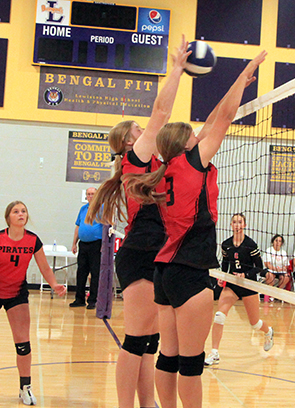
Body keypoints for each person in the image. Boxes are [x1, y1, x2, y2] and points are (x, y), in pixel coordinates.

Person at [124, 51, 267, 408]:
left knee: (168, 358)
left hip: (165, 271)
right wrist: (245, 71)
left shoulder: (168, 169)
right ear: (187, 144)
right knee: (190, 365)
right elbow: (225, 118)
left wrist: (238, 85)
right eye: (193, 135)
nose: (198, 136)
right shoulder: (193, 164)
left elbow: (218, 117)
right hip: (190, 273)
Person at [86, 36, 190, 408]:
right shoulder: (138, 158)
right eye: (138, 130)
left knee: (150, 342)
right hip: (142, 252)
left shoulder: (149, 163)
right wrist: (176, 69)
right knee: (136, 340)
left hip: (155, 251)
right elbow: (161, 112)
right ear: (130, 140)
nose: (143, 132)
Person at [0, 201, 66, 405]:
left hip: (16, 293)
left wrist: (54, 285)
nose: (21, 214)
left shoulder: (33, 240)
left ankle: (25, 388)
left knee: (23, 343)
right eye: (16, 211)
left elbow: (45, 268)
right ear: (8, 217)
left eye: (24, 211)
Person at [204, 213, 274, 367]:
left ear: (244, 225)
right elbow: (225, 264)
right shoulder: (226, 244)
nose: (237, 225)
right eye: (234, 222)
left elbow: (259, 267)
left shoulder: (250, 245)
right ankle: (214, 353)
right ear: (231, 225)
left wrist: (245, 274)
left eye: (240, 222)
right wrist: (222, 276)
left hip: (248, 285)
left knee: (255, 323)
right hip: (232, 285)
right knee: (219, 316)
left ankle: (268, 331)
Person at [69, 187, 103, 309]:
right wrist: (74, 243)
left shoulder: (102, 208)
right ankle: (79, 299)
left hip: (96, 244)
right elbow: (78, 227)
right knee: (81, 272)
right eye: (88, 194)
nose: (90, 196)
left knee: (95, 273)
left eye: (93, 194)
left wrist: (105, 245)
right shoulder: (83, 209)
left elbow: (106, 227)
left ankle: (93, 300)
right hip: (83, 244)